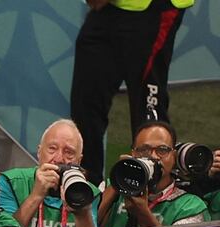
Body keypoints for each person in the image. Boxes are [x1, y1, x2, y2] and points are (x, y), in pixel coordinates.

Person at [71, 0, 193, 185]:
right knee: (85, 104)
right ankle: (86, 190)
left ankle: (152, 194)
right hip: (109, 10)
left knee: (148, 108)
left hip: (153, 8)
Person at [0, 119, 100, 227]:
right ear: (39, 152)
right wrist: (36, 195)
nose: (59, 159)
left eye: (69, 153)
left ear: (79, 160)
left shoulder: (88, 191)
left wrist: (83, 214)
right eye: (52, 148)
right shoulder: (11, 182)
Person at [99, 121, 208, 227]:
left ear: (174, 156)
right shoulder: (110, 187)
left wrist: (143, 213)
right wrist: (118, 180)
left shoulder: (190, 207)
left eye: (162, 150)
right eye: (144, 150)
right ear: (133, 154)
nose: (153, 156)